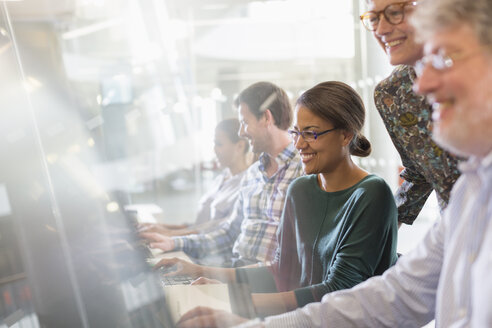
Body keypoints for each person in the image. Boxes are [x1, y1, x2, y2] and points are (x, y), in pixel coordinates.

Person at [174, 0, 492, 326]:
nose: (422, 86)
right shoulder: (469, 192)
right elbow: (395, 295)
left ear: (345, 136)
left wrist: (241, 307)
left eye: (445, 58)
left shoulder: (375, 193)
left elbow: (350, 289)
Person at [160, 81, 398, 319]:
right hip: (300, 319)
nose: (299, 144)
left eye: (311, 134)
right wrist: (213, 282)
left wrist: (236, 301)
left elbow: (339, 290)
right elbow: (281, 270)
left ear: (346, 135)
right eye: (296, 132)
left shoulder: (371, 193)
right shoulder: (300, 190)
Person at [143, 81, 303, 266]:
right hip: (237, 272)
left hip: (267, 282)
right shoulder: (253, 174)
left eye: (245, 122)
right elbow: (229, 234)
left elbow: (300, 256)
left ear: (266, 118)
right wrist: (172, 242)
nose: (242, 132)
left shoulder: (302, 171)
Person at [360, 0, 460, 226]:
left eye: (394, 13)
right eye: (374, 19)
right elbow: (420, 171)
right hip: (457, 235)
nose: (381, 29)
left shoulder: (475, 72)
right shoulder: (391, 93)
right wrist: (380, 229)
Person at [139, 118, 250, 237]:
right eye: (214, 144)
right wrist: (161, 227)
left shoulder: (247, 186)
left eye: (219, 144)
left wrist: (168, 234)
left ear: (240, 146)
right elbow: (200, 225)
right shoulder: (220, 179)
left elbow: (219, 231)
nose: (215, 149)